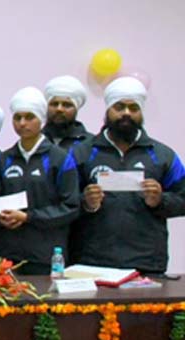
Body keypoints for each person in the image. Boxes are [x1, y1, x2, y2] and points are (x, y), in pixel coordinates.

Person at [72, 77, 185, 274]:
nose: (126, 113)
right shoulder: (82, 153)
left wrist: (160, 200)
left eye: (133, 108)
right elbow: (63, 201)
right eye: (119, 107)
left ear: (141, 113)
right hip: (93, 261)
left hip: (147, 263)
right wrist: (85, 202)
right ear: (108, 110)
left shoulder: (162, 155)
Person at [0, 86, 79, 275]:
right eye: (17, 117)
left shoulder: (60, 159)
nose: (22, 123)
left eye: (29, 117)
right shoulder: (4, 159)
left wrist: (28, 217)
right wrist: (0, 218)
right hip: (9, 256)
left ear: (42, 119)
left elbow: (70, 207)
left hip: (46, 256)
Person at [43, 75, 93, 152]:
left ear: (76, 109)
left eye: (66, 105)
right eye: (54, 104)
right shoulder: (34, 141)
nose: (59, 109)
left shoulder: (91, 144)